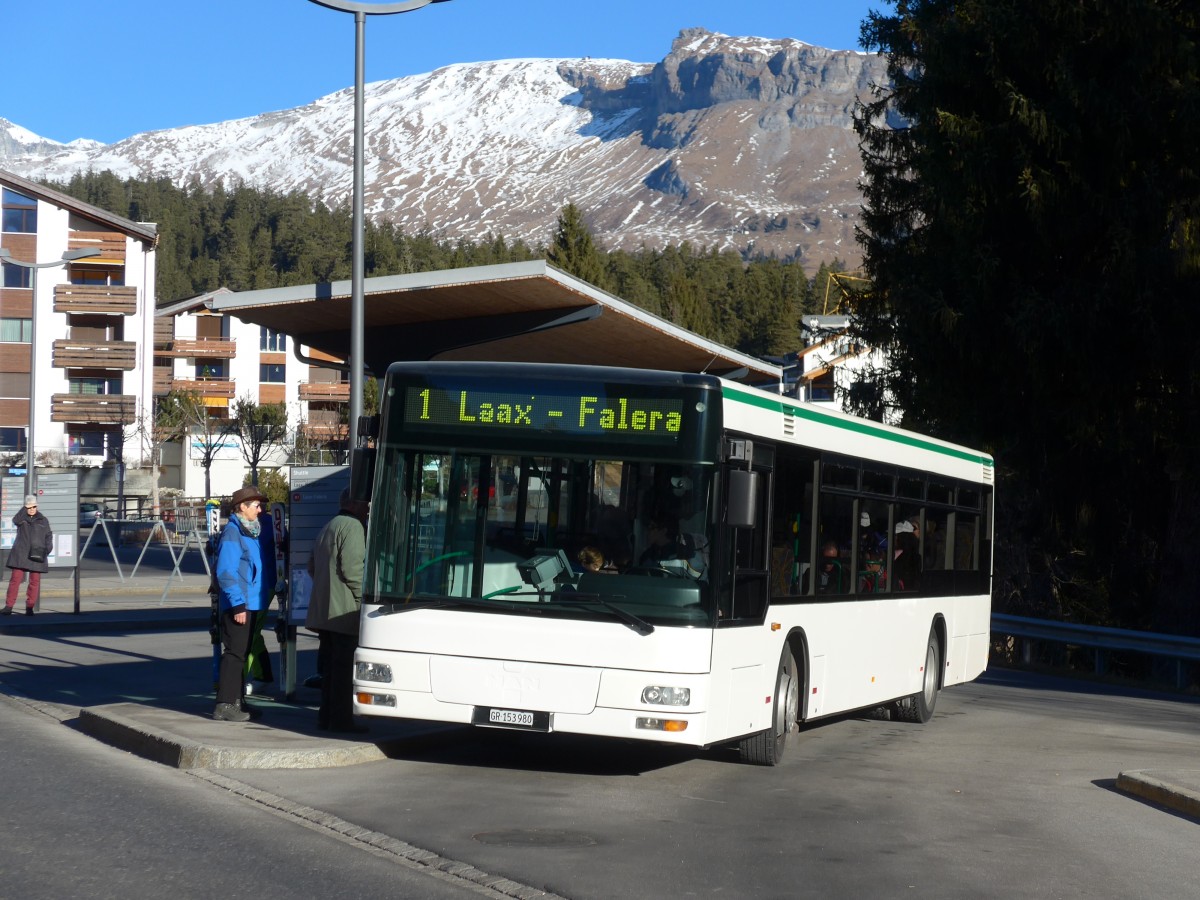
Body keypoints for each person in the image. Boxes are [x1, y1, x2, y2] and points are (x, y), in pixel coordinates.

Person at [306, 489, 369, 733]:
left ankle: (326, 717)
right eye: (365, 502)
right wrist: (361, 598)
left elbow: (311, 566)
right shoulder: (353, 527)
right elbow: (353, 570)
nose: (367, 508)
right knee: (343, 672)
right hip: (344, 611)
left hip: (324, 611)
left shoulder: (329, 525)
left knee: (330, 671)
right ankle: (341, 721)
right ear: (355, 504)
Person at [212, 485, 270, 722]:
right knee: (234, 654)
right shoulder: (234, 533)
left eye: (260, 505)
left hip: (251, 603)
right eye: (256, 505)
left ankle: (237, 702)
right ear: (242, 507)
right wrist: (237, 605)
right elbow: (226, 571)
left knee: (242, 653)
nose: (260, 509)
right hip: (240, 605)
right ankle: (225, 704)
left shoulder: (251, 531)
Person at [4, 495, 52, 616]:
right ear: (25, 507)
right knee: (15, 580)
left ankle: (30, 607)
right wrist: (23, 508)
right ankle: (9, 606)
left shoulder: (43, 520)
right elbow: (15, 520)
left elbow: (48, 535)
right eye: (29, 507)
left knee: (34, 582)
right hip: (21, 553)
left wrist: (47, 550)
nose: (31, 509)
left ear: (37, 506)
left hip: (37, 554)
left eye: (34, 506)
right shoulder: (21, 518)